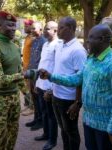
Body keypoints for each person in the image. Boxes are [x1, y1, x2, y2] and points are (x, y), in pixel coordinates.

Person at [39, 24, 112, 150]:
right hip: (88, 121)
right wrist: (50, 76)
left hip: (105, 127)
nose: (87, 40)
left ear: (102, 39)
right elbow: (75, 79)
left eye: (91, 37)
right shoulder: (91, 59)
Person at [0, 11, 28, 150]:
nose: (14, 28)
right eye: (9, 25)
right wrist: (22, 76)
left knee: (12, 135)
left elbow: (18, 71)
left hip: (14, 98)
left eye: (14, 25)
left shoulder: (14, 46)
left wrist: (26, 93)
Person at [40, 16, 87, 150]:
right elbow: (59, 70)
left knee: (71, 131)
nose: (58, 31)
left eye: (61, 28)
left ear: (71, 29)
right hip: (56, 95)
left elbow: (81, 79)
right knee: (63, 129)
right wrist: (51, 90)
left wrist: (77, 103)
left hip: (69, 100)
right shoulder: (60, 44)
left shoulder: (78, 50)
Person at [34, 21, 59, 150]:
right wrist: (37, 83)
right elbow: (41, 65)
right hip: (40, 84)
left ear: (55, 31)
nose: (44, 31)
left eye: (47, 29)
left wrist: (52, 88)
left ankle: (52, 139)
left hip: (50, 86)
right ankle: (45, 133)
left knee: (51, 115)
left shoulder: (58, 45)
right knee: (43, 112)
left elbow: (58, 68)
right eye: (44, 29)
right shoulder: (45, 44)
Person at [25, 21, 46, 131]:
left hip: (38, 75)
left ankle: (41, 121)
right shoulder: (34, 41)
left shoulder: (44, 42)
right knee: (34, 98)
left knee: (39, 99)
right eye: (31, 28)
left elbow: (42, 61)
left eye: (34, 28)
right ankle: (36, 118)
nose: (32, 30)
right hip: (31, 74)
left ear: (41, 30)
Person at [21, 19, 34, 116]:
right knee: (27, 87)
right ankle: (29, 105)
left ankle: (32, 107)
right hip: (25, 66)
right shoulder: (27, 37)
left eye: (26, 26)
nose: (25, 28)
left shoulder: (33, 38)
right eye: (24, 26)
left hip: (30, 68)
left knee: (31, 88)